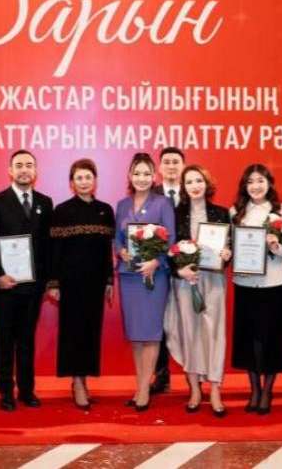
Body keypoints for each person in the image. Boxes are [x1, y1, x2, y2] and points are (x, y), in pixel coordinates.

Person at [165, 164, 232, 417]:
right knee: (189, 333)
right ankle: (194, 389)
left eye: (199, 181)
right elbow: (167, 249)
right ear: (183, 187)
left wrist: (226, 255)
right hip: (185, 281)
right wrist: (179, 270)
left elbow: (229, 249)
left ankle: (215, 389)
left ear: (207, 183)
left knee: (215, 333)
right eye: (189, 182)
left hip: (213, 280)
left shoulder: (221, 213)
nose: (195, 186)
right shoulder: (174, 213)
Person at [0, 150, 53, 411]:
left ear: (35, 171)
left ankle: (26, 390)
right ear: (10, 171)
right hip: (6, 283)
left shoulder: (45, 202)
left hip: (33, 285)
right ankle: (5, 391)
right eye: (19, 165)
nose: (24, 169)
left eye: (29, 165)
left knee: (26, 338)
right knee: (5, 339)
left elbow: (48, 245)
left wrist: (49, 281)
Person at [230, 163, 282, 415]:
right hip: (246, 283)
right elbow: (232, 246)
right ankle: (254, 388)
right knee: (249, 340)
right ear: (245, 187)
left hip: (275, 283)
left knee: (272, 339)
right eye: (250, 182)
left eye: (260, 181)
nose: (255, 186)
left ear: (269, 183)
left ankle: (268, 390)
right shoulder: (235, 212)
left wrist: (275, 246)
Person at [50, 159, 115, 410]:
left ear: (95, 180)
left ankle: (85, 379)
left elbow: (107, 250)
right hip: (70, 283)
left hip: (96, 283)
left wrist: (109, 280)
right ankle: (76, 382)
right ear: (72, 182)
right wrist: (54, 283)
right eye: (79, 178)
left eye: (88, 177)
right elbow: (55, 251)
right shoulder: (62, 210)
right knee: (72, 332)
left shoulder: (105, 210)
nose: (84, 182)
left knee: (91, 332)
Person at [113, 152, 176, 412]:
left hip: (154, 276)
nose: (141, 178)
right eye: (137, 173)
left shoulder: (163, 204)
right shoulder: (122, 205)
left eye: (146, 174)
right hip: (129, 276)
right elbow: (117, 238)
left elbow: (170, 241)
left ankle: (143, 390)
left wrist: (156, 262)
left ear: (154, 176)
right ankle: (141, 384)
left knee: (150, 335)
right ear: (130, 176)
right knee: (136, 335)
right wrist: (121, 251)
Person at [152, 146, 186, 394]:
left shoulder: (193, 191)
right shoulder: (150, 195)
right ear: (160, 168)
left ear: (182, 166)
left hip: (187, 270)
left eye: (176, 161)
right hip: (159, 268)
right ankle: (161, 374)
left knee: (188, 322)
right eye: (167, 162)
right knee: (159, 324)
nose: (172, 166)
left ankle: (194, 376)